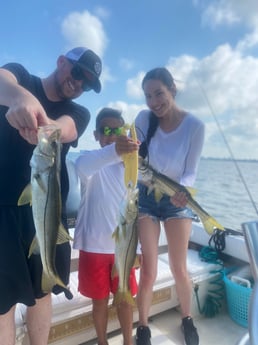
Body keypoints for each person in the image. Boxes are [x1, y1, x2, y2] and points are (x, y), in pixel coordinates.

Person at [0, 46, 102, 345]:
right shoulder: (20, 76)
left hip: (47, 213)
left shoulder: (78, 112)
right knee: (3, 302)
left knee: (42, 294)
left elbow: (65, 129)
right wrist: (20, 98)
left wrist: (47, 126)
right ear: (61, 62)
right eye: (78, 73)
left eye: (87, 84)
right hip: (3, 212)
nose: (79, 84)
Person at [135, 67, 205, 345]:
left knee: (179, 267)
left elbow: (190, 172)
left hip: (177, 198)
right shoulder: (143, 118)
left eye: (159, 93)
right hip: (147, 196)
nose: (154, 101)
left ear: (172, 89)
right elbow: (134, 156)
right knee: (149, 269)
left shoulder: (195, 126)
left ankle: (187, 318)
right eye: (148, 95)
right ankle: (143, 327)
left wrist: (183, 191)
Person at [73, 107, 139, 345]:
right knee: (99, 302)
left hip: (124, 247)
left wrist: (137, 249)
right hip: (93, 249)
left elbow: (134, 211)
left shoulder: (131, 166)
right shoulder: (90, 160)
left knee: (125, 300)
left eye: (117, 130)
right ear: (96, 134)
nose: (112, 134)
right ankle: (102, 342)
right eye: (106, 130)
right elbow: (82, 167)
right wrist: (115, 150)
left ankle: (128, 342)